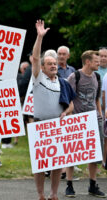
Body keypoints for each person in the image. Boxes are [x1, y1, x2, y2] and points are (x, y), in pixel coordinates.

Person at [31, 20, 75, 200]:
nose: (54, 65)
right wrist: (39, 37)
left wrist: (66, 112)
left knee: (58, 164)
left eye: (55, 63)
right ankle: (41, 194)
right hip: (40, 125)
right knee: (40, 164)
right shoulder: (38, 79)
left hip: (58, 127)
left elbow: (71, 103)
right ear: (42, 67)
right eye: (49, 63)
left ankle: (54, 194)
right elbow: (35, 58)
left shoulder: (63, 83)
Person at [65, 50, 106, 198]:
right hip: (77, 121)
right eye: (96, 61)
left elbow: (96, 99)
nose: (99, 63)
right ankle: (69, 185)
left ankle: (93, 185)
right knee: (72, 154)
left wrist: (99, 115)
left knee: (94, 154)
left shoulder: (97, 76)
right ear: (87, 62)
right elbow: (67, 99)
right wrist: (69, 118)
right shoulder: (74, 76)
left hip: (94, 120)